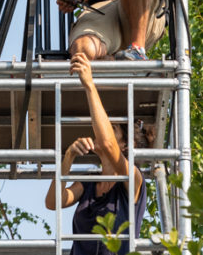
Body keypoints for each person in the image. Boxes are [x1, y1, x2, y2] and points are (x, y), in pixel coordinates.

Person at [45, 53, 149, 255]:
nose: (100, 131)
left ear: (126, 144)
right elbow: (52, 202)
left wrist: (90, 85)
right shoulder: (89, 183)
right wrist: (68, 158)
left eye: (112, 129)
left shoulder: (133, 179)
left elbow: (108, 145)